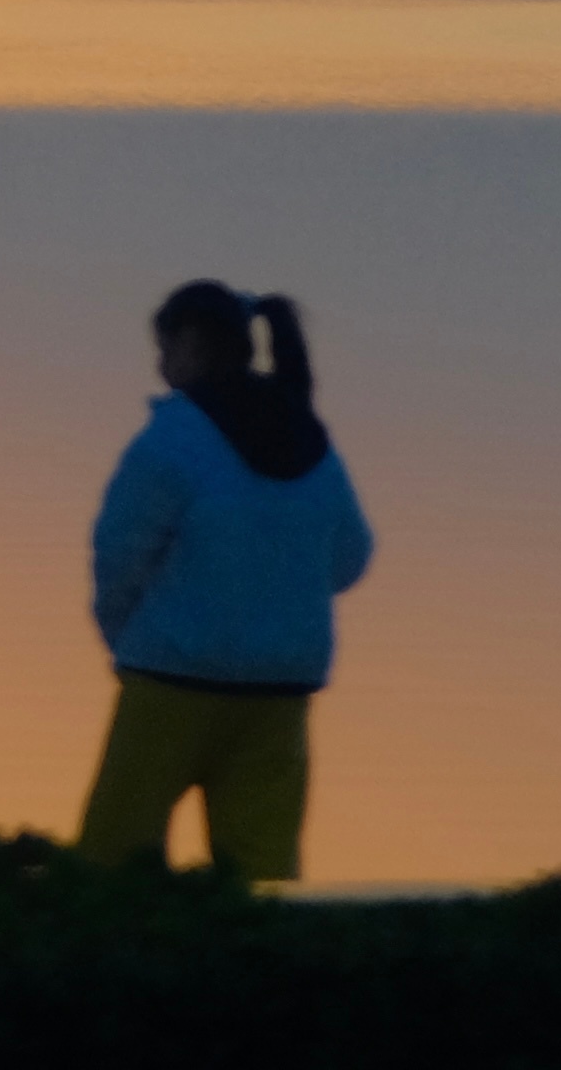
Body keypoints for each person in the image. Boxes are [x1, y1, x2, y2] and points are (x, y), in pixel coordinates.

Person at [75, 281, 375, 884]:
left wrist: (124, 636)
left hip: (171, 679)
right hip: (281, 688)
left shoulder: (172, 439)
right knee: (263, 877)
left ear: (189, 343)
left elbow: (118, 553)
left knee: (113, 865)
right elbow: (350, 558)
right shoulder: (312, 440)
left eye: (164, 349)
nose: (161, 367)